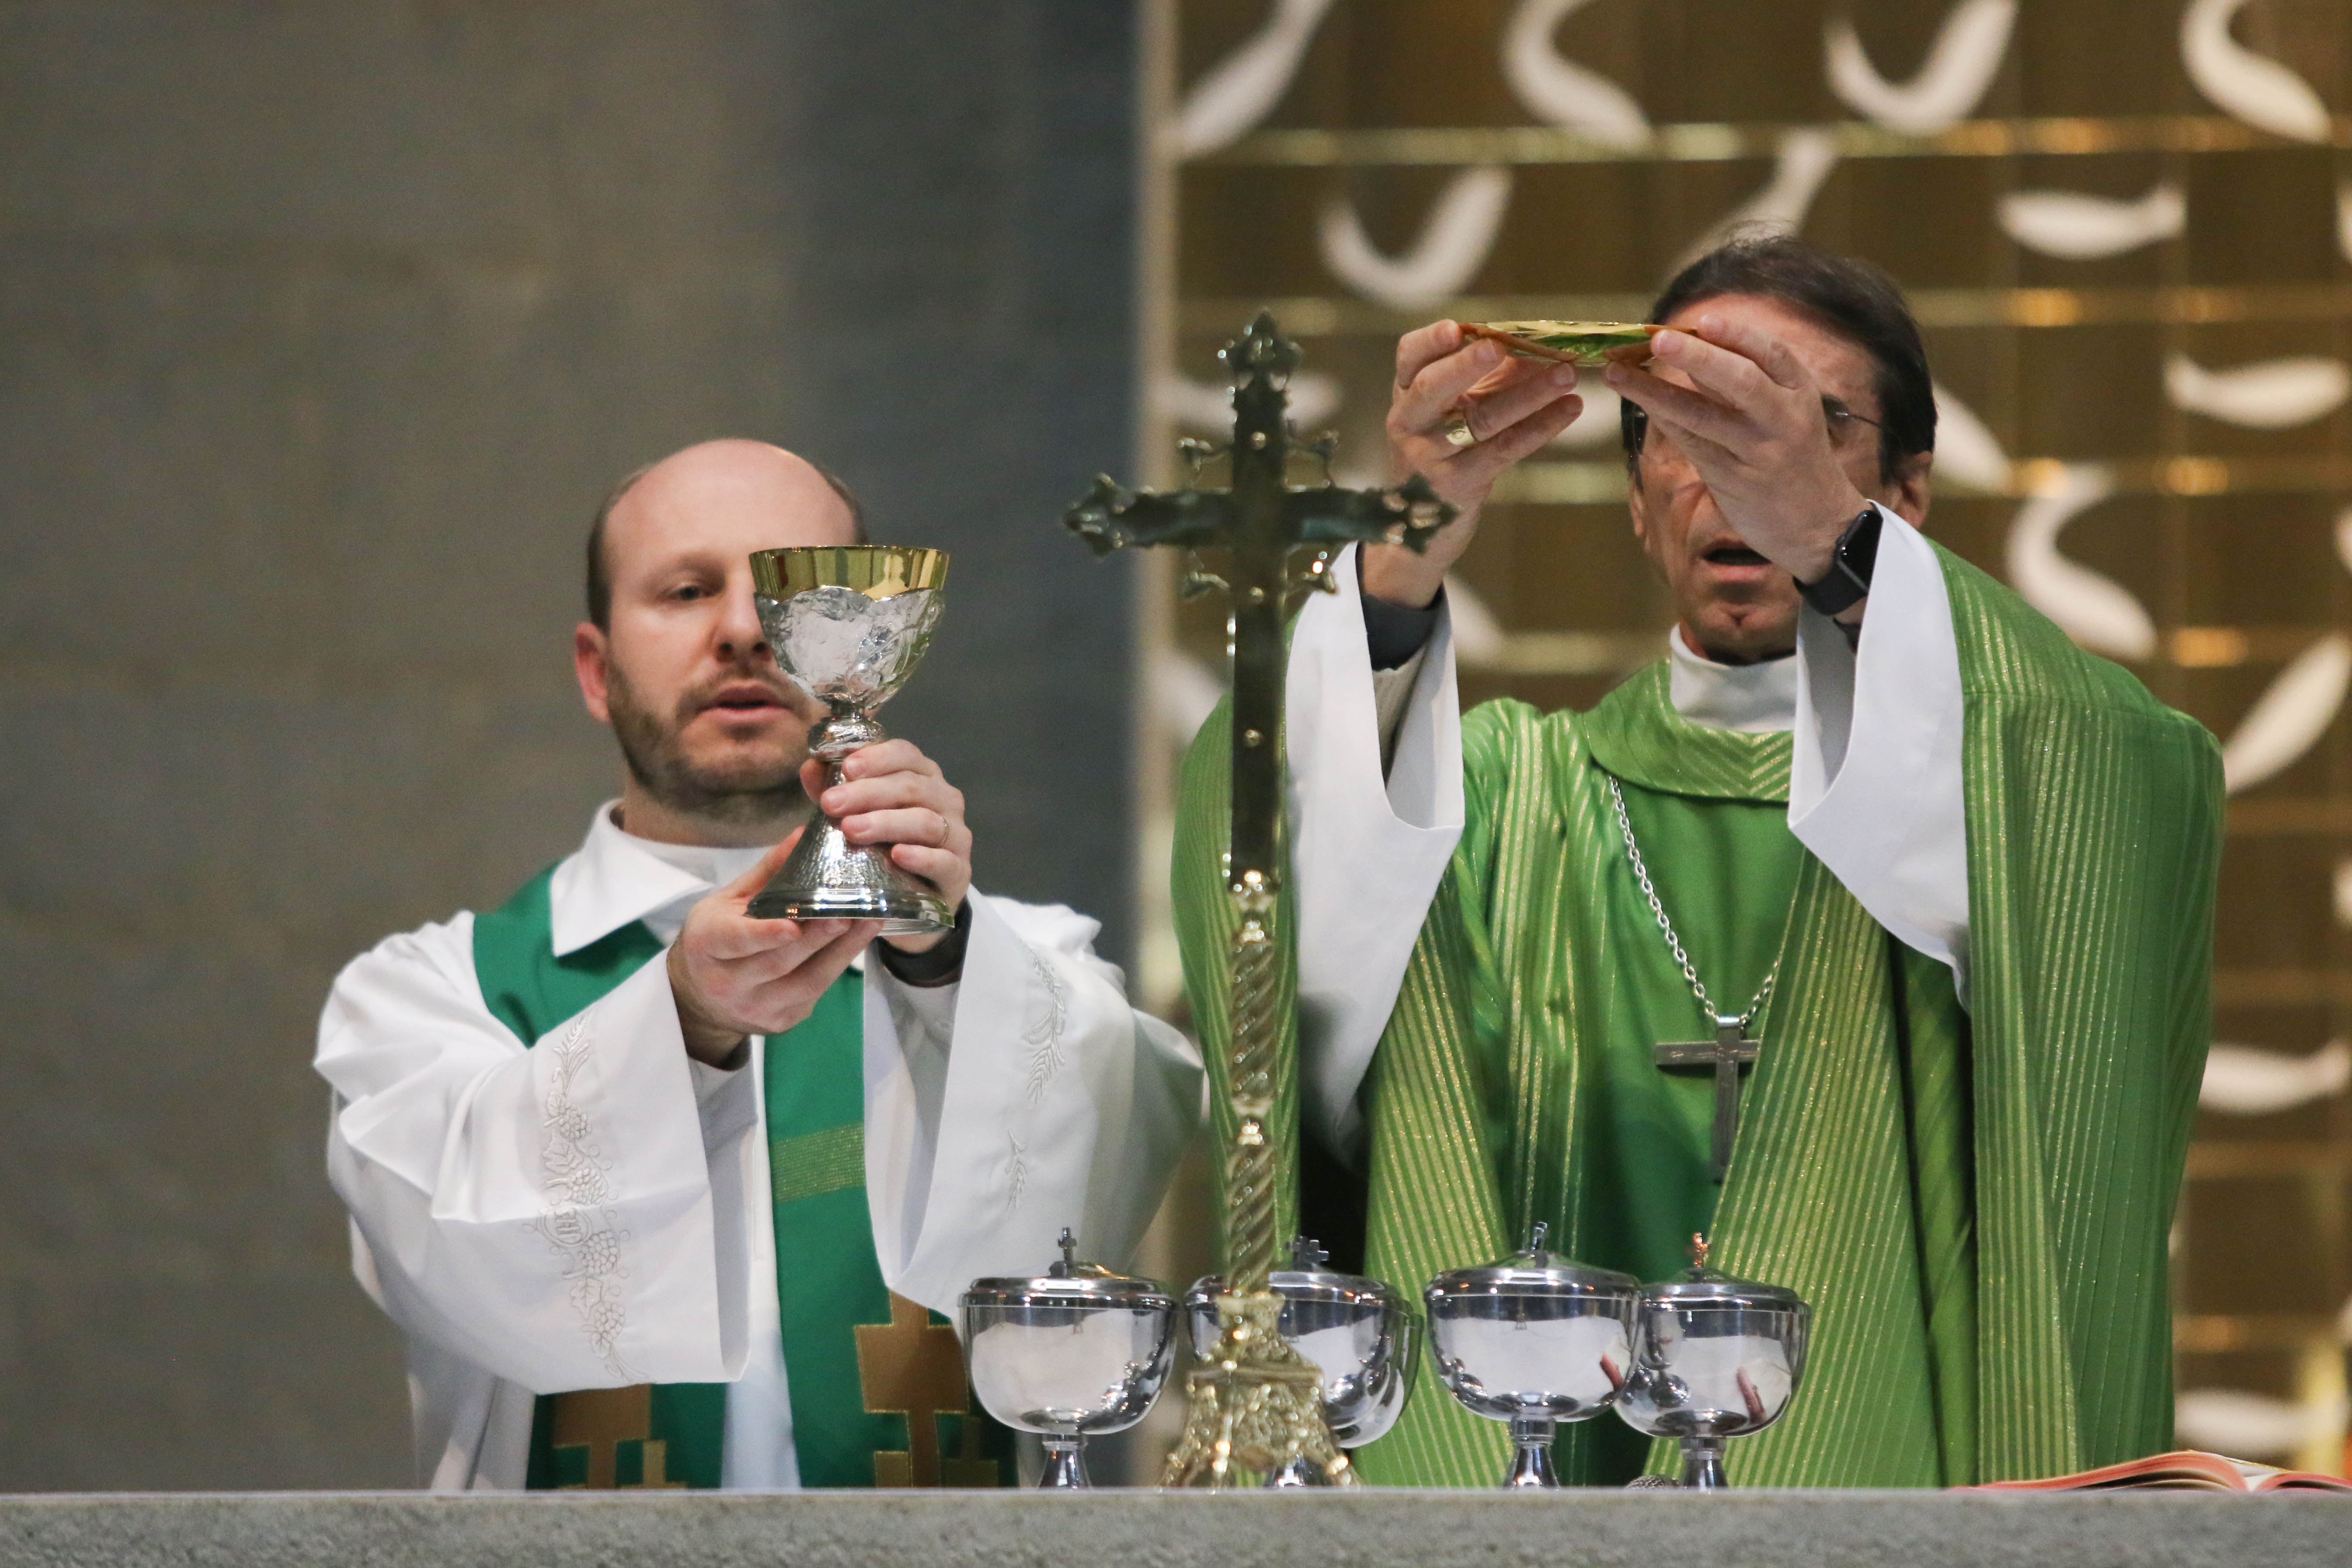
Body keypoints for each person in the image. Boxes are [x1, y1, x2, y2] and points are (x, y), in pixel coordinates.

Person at [1173, 234, 2222, 1487]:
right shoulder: (1499, 803)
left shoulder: (1999, 770)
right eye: (1687, 427)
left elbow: (2113, 790)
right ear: (1633, 497)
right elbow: (1268, 867)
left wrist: (1834, 543)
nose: (1733, 469)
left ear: (1907, 492)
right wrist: (1397, 558)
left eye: (1799, 422)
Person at [319, 439, 1201, 1491]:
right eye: (687, 590)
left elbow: (1096, 1199)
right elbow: (462, 1263)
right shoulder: (433, 991)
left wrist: (943, 956)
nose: (743, 629)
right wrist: (683, 1018)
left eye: (797, 592)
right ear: (597, 670)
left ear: (879, 641)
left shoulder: (1018, 959)